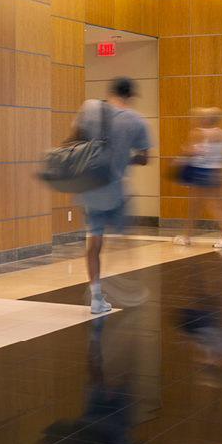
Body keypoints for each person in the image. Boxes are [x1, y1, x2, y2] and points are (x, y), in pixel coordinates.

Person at [74, 77, 151, 315]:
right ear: (130, 95)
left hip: (90, 186)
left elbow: (75, 140)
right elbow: (144, 158)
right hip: (115, 189)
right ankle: (125, 283)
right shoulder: (136, 120)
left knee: (94, 240)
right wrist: (123, 158)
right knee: (125, 235)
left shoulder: (90, 109)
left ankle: (96, 295)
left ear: (111, 92)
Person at [174, 108, 222, 252]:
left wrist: (184, 153)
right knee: (217, 206)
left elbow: (192, 151)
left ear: (206, 119)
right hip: (219, 171)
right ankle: (189, 235)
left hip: (202, 172)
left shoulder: (197, 133)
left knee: (201, 206)